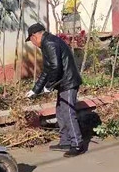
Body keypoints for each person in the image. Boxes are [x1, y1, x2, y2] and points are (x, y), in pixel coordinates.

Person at [25, 22, 85, 157]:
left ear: (34, 36)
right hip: (63, 82)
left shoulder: (49, 43)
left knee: (68, 112)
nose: (33, 44)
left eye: (31, 40)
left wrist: (49, 85)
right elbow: (47, 69)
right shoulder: (47, 42)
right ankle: (65, 141)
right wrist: (35, 90)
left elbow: (55, 67)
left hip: (68, 82)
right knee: (60, 112)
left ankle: (77, 144)